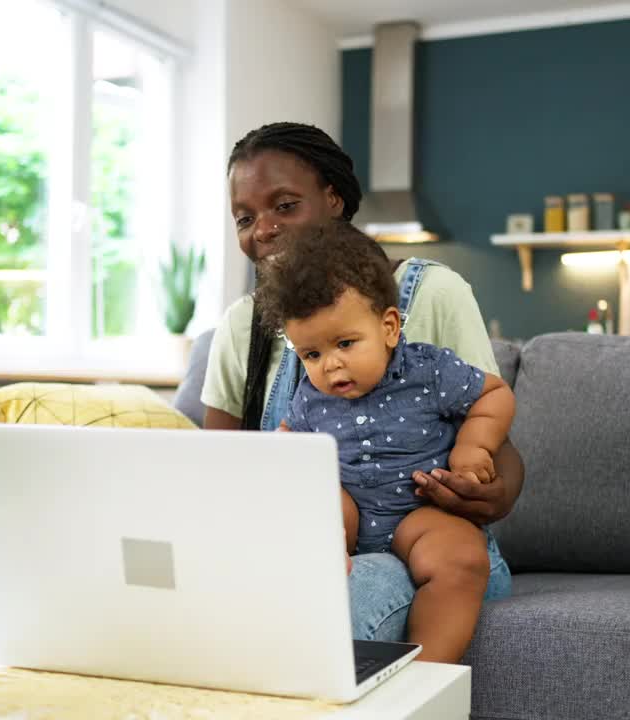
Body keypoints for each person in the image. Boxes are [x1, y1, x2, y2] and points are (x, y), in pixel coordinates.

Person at [201, 121, 525, 642]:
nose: (262, 229)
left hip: (428, 537)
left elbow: (498, 444)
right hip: (318, 539)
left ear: (333, 200)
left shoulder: (432, 292)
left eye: (284, 205)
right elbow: (218, 475)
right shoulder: (242, 325)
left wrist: (488, 489)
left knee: (328, 606)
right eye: (244, 217)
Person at [256, 222, 515, 662]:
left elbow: (494, 395)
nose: (330, 366)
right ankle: (323, 559)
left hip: (420, 512)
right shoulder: (309, 396)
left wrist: (473, 447)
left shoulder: (429, 372)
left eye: (345, 343)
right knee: (320, 493)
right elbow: (294, 446)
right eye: (312, 354)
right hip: (353, 519)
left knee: (459, 560)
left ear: (389, 327)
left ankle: (428, 675)